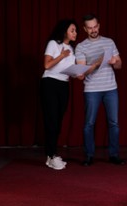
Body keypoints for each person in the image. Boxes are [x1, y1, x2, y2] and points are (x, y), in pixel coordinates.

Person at [75, 14, 125, 166]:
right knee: (89, 123)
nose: (93, 30)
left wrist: (113, 61)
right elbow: (82, 72)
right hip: (92, 89)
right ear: (85, 29)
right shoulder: (81, 46)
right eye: (89, 28)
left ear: (99, 26)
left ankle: (114, 155)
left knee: (114, 123)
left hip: (111, 88)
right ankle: (89, 155)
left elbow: (119, 65)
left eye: (95, 27)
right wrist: (99, 61)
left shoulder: (109, 42)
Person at [40, 19, 78, 170]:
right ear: (65, 31)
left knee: (58, 121)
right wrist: (62, 55)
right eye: (72, 30)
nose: (75, 33)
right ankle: (51, 155)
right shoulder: (53, 44)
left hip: (64, 85)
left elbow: (70, 69)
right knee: (52, 120)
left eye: (75, 31)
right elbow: (47, 65)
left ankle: (52, 155)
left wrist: (78, 73)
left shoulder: (72, 49)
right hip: (50, 83)